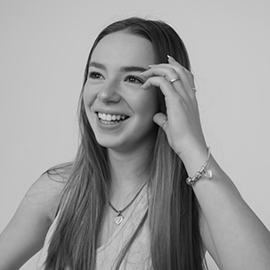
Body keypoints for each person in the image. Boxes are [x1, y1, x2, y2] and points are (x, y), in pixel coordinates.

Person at [0, 17, 270, 270]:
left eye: (132, 79)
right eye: (96, 75)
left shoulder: (194, 202)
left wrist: (191, 145)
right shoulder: (57, 189)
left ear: (165, 94)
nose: (105, 94)